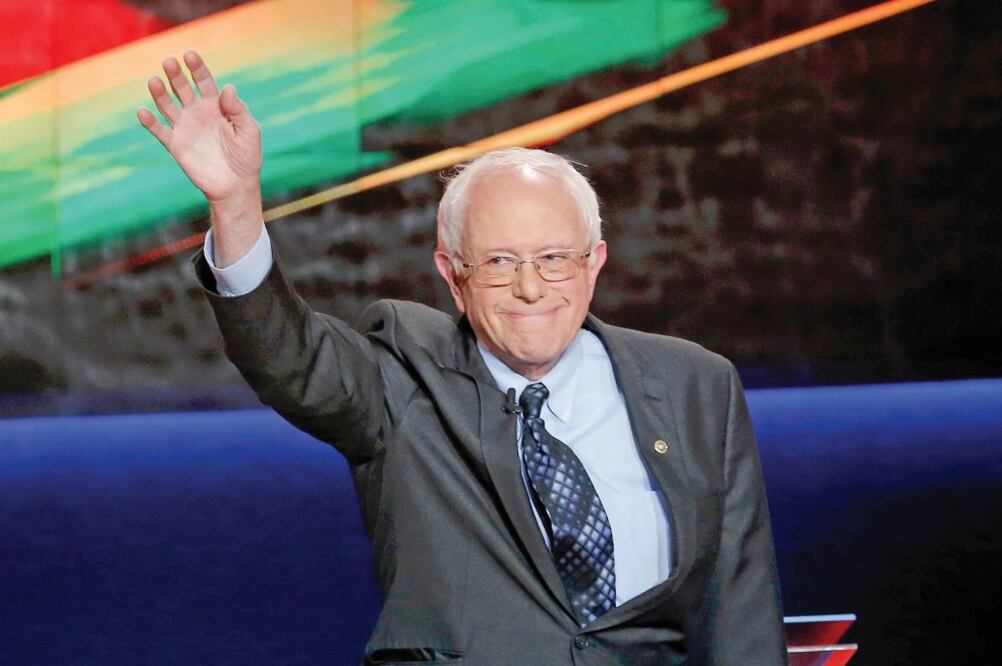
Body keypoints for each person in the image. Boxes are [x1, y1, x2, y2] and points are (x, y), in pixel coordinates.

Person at [139, 51, 787, 665]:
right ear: (453, 276)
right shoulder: (404, 379)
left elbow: (742, 612)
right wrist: (235, 205)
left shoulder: (693, 385)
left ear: (595, 264)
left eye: (554, 259)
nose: (530, 287)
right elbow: (291, 359)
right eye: (499, 262)